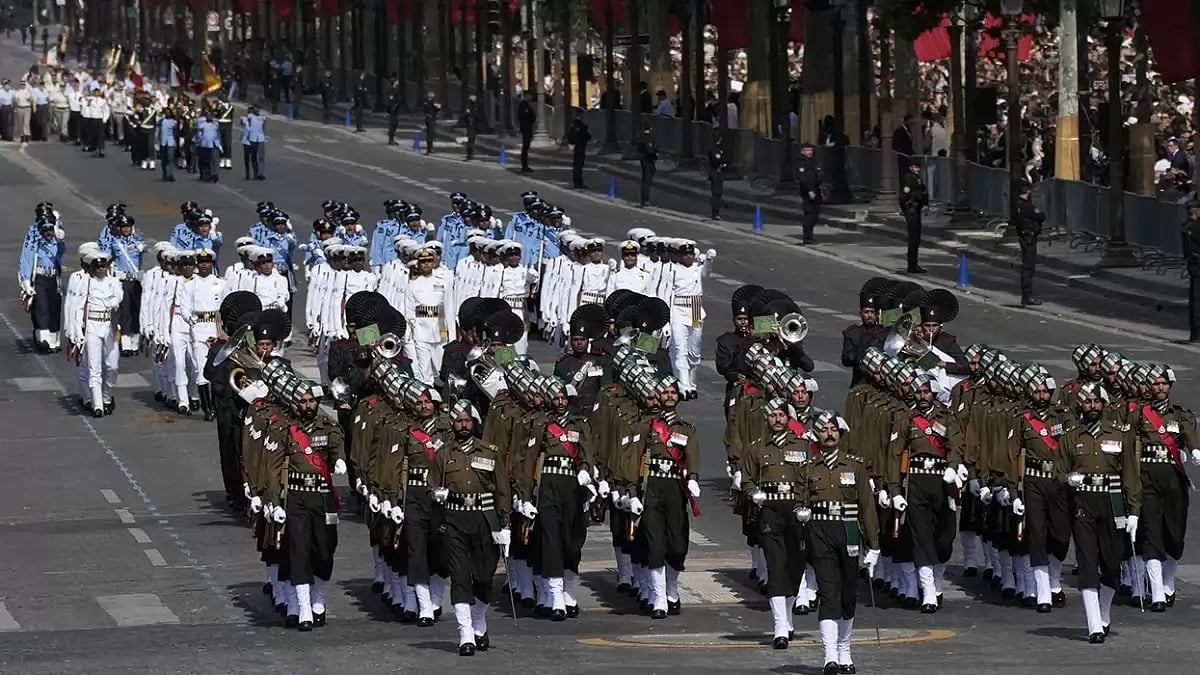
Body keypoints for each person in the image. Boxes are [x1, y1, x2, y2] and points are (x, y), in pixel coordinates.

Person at [798, 411, 879, 675]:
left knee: (847, 593)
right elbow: (800, 501)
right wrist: (800, 512)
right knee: (828, 591)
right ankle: (830, 656)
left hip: (848, 530)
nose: (829, 433)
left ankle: (845, 649)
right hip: (820, 531)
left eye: (833, 429)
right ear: (817, 435)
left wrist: (873, 545)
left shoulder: (854, 466)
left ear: (840, 434)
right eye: (824, 430)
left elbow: (866, 507)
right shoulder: (809, 467)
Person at [428, 399, 511, 656]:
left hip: (484, 519)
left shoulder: (489, 451)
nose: (463, 425)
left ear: (475, 423)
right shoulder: (443, 453)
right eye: (458, 420)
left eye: (467, 420)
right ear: (452, 424)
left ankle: (478, 619)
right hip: (454, 520)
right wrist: (437, 494)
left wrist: (505, 522)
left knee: (485, 575)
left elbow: (502, 490)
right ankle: (465, 634)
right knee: (460, 576)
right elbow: (431, 486)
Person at [1061, 382, 1140, 643]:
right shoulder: (1071, 434)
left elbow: (1130, 472)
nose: (1092, 406)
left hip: (1113, 501)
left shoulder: (1119, 434)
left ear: (1104, 404)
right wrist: (1067, 478)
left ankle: (1104, 612)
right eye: (1087, 401)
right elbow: (1057, 470)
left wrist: (1134, 511)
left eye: (1096, 401)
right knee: (1086, 560)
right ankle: (1093, 623)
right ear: (1080, 405)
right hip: (1083, 501)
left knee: (1111, 563)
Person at [66, 247, 123, 417]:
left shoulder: (113, 281)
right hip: (92, 325)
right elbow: (77, 308)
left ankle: (106, 397)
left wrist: (109, 302)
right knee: (94, 367)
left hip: (109, 325)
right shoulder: (85, 282)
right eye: (98, 267)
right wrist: (76, 333)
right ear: (92, 267)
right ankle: (97, 404)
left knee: (112, 366)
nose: (101, 269)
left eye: (104, 266)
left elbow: (119, 297)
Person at [18, 217, 65, 352]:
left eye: (50, 230)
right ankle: (45, 340)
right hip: (40, 278)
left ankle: (54, 341)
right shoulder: (36, 244)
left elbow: (62, 249)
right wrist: (26, 281)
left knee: (54, 309)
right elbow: (27, 259)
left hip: (54, 279)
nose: (48, 233)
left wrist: (59, 230)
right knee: (42, 309)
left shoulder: (57, 244)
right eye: (45, 230)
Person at [1014, 182, 1045, 307]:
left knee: (1027, 265)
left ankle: (1026, 296)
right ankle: (1027, 296)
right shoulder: (1027, 206)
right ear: (1027, 192)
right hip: (1029, 237)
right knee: (1028, 266)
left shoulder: (1017, 205)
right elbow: (1040, 216)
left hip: (1024, 236)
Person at [899, 160, 928, 274]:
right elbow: (905, 194)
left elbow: (921, 189)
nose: (918, 169)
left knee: (916, 238)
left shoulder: (916, 178)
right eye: (915, 167)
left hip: (916, 209)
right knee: (913, 238)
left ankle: (914, 264)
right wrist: (907, 206)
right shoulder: (909, 178)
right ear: (910, 167)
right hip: (911, 210)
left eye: (918, 167)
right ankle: (912, 265)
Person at [797, 143, 823, 244]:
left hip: (816, 189)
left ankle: (810, 235)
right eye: (807, 150)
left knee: (815, 214)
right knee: (809, 214)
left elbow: (818, 174)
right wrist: (809, 190)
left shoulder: (813, 161)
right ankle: (807, 237)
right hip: (808, 191)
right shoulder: (801, 162)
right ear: (802, 151)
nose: (809, 152)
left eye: (810, 150)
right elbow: (803, 178)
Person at [1182, 200, 1200, 342]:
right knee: (1197, 299)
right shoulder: (1195, 228)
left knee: (1194, 298)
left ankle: (1195, 332)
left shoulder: (1186, 226)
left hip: (1193, 265)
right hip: (1198, 266)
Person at [240, 105, 266, 181]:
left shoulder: (262, 118)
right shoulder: (249, 118)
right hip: (250, 140)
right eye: (254, 110)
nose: (255, 111)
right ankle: (248, 174)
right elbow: (242, 122)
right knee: (248, 158)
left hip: (260, 139)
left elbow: (263, 128)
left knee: (257, 157)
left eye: (257, 109)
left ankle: (258, 174)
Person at [568, 109, 590, 188]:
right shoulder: (580, 125)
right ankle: (578, 182)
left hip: (575, 146)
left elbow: (570, 135)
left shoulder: (573, 124)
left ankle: (576, 181)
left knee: (576, 164)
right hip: (580, 146)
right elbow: (586, 136)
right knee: (579, 164)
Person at [707, 136, 727, 219]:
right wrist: (722, 163)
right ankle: (715, 213)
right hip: (716, 173)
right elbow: (716, 160)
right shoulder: (714, 149)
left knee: (718, 193)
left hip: (718, 173)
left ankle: (716, 212)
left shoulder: (718, 148)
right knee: (716, 193)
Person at [637, 127, 657, 208]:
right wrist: (655, 154)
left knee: (644, 181)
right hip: (648, 162)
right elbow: (651, 151)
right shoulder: (648, 139)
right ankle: (646, 200)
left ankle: (643, 200)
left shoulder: (641, 138)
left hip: (643, 161)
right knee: (647, 182)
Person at [517, 91, 535, 172]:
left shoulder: (527, 104)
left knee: (526, 147)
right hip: (526, 128)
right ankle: (524, 165)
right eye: (529, 96)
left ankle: (525, 165)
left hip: (528, 128)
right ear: (526, 96)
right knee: (525, 147)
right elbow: (525, 116)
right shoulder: (523, 104)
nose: (531, 97)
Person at [386, 78, 402, 146]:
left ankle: (392, 139)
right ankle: (391, 139)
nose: (398, 82)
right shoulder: (392, 90)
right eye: (396, 81)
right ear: (394, 82)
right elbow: (391, 101)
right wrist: (391, 109)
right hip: (393, 110)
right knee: (392, 125)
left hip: (396, 109)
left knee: (395, 125)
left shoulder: (396, 89)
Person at [463, 95, 479, 161]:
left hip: (475, 125)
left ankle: (471, 153)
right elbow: (465, 116)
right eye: (473, 97)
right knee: (470, 140)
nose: (474, 98)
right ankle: (469, 154)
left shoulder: (476, 106)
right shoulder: (469, 106)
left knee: (472, 140)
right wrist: (468, 121)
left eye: (475, 97)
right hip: (471, 125)